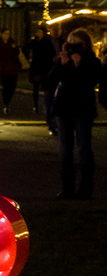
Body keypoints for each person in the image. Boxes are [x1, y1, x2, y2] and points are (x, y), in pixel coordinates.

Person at [53, 29, 101, 199]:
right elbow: (53, 79)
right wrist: (63, 63)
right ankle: (67, 188)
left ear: (85, 44)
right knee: (66, 149)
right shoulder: (64, 59)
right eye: (70, 42)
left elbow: (91, 81)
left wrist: (79, 65)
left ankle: (85, 189)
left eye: (76, 43)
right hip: (64, 108)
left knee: (84, 148)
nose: (72, 46)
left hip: (82, 109)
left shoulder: (92, 61)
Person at [25, 26, 56, 118]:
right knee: (36, 87)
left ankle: (46, 105)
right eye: (37, 32)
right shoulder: (34, 42)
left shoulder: (47, 42)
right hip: (36, 67)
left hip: (44, 67)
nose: (37, 34)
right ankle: (36, 105)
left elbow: (52, 53)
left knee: (46, 88)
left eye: (39, 32)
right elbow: (26, 47)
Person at [0, 28, 21, 115]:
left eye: (8, 34)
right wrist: (1, 65)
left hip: (12, 68)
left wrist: (15, 49)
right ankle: (6, 104)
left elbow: (17, 52)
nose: (7, 36)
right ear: (1, 34)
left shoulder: (12, 42)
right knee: (6, 87)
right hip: (4, 70)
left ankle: (7, 102)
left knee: (12, 86)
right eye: (5, 34)